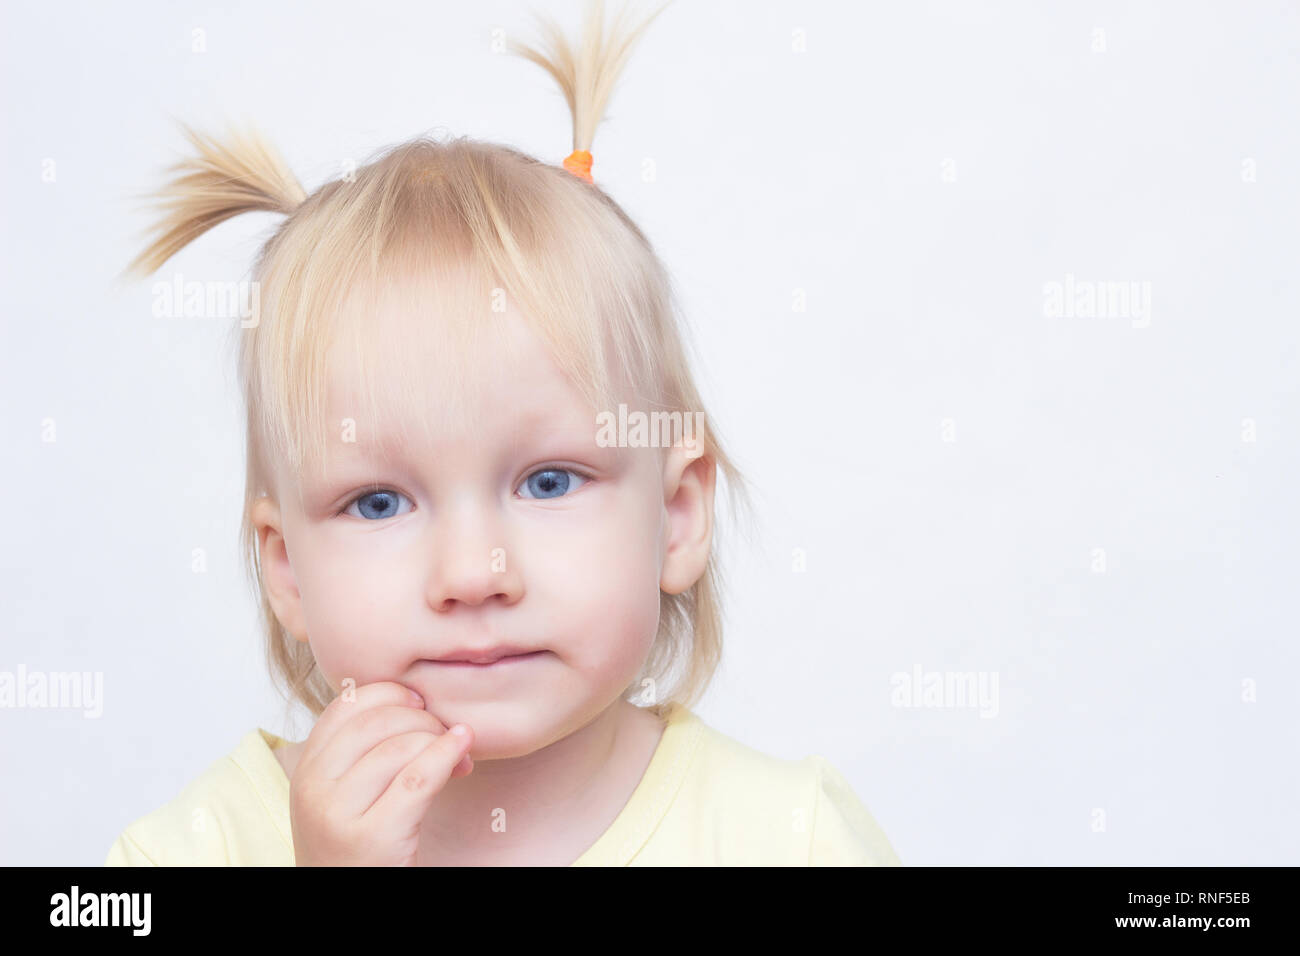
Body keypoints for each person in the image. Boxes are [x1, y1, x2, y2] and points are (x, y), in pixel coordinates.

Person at [104, 0, 901, 866]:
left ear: (675, 516)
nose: (471, 576)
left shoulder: (789, 839)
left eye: (550, 482)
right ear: (286, 568)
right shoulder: (194, 850)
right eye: (377, 502)